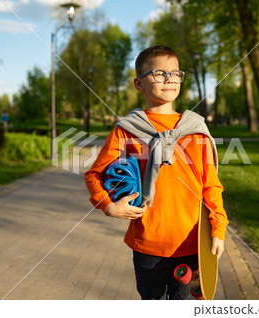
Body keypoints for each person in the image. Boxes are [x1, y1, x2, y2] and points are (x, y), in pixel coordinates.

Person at [84, 45, 228, 300]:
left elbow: (211, 186)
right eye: (159, 74)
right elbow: (94, 174)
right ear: (139, 84)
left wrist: (218, 228)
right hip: (148, 244)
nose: (169, 79)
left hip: (191, 243)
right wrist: (108, 205)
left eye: (175, 73)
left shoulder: (195, 129)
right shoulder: (127, 131)